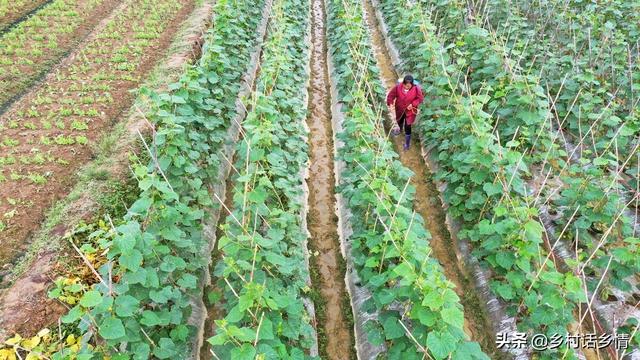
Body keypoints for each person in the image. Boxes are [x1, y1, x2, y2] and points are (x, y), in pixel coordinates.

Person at [386, 74, 424, 150]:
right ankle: (399, 129)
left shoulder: (416, 89)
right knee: (399, 120)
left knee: (408, 126)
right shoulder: (398, 87)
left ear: (412, 85)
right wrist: (390, 103)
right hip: (399, 109)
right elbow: (391, 95)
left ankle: (407, 144)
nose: (406, 87)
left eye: (408, 86)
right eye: (405, 85)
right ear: (403, 83)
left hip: (409, 112)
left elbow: (420, 99)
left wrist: (412, 104)